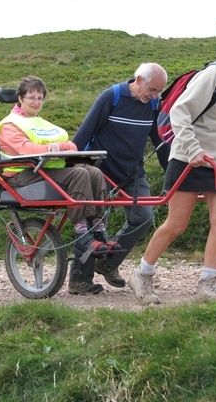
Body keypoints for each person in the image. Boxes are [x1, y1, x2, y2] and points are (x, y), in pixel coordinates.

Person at [128, 20, 216, 305]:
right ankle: (142, 275)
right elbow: (180, 111)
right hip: (189, 160)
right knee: (177, 224)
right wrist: (192, 150)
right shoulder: (214, 74)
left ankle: (208, 284)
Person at [0, 75, 113, 295]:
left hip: (46, 170)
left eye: (40, 98)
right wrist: (56, 146)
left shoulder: (41, 124)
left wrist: (57, 146)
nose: (36, 101)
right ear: (20, 98)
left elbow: (71, 144)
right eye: (31, 97)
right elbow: (27, 150)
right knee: (79, 173)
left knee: (94, 173)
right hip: (22, 176)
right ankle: (81, 231)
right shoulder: (9, 125)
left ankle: (97, 227)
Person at [72, 62, 169, 289]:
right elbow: (84, 134)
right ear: (138, 80)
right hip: (100, 171)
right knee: (92, 223)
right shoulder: (111, 97)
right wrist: (75, 169)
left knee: (143, 217)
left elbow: (160, 142)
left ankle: (108, 263)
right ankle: (79, 281)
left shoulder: (153, 105)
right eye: (152, 90)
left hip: (132, 173)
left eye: (159, 91)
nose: (155, 96)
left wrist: (172, 175)